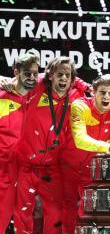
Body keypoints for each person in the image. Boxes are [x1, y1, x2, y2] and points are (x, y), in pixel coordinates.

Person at [13, 56, 98, 234]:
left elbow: (99, 101)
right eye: (60, 74)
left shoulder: (77, 97)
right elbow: (20, 79)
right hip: (25, 163)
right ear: (51, 76)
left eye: (68, 75)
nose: (64, 79)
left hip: (51, 166)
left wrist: (84, 85)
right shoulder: (37, 88)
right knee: (23, 212)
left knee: (55, 215)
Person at [59, 74, 110, 234]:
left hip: (93, 170)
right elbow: (80, 140)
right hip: (68, 166)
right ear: (93, 92)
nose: (106, 97)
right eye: (102, 92)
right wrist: (109, 147)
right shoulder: (80, 106)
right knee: (67, 210)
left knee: (90, 213)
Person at [0, 53, 40, 234]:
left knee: (24, 218)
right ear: (16, 73)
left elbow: (68, 77)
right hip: (3, 167)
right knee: (1, 214)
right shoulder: (2, 97)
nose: (32, 78)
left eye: (35, 73)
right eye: (27, 74)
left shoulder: (39, 95)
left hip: (26, 167)